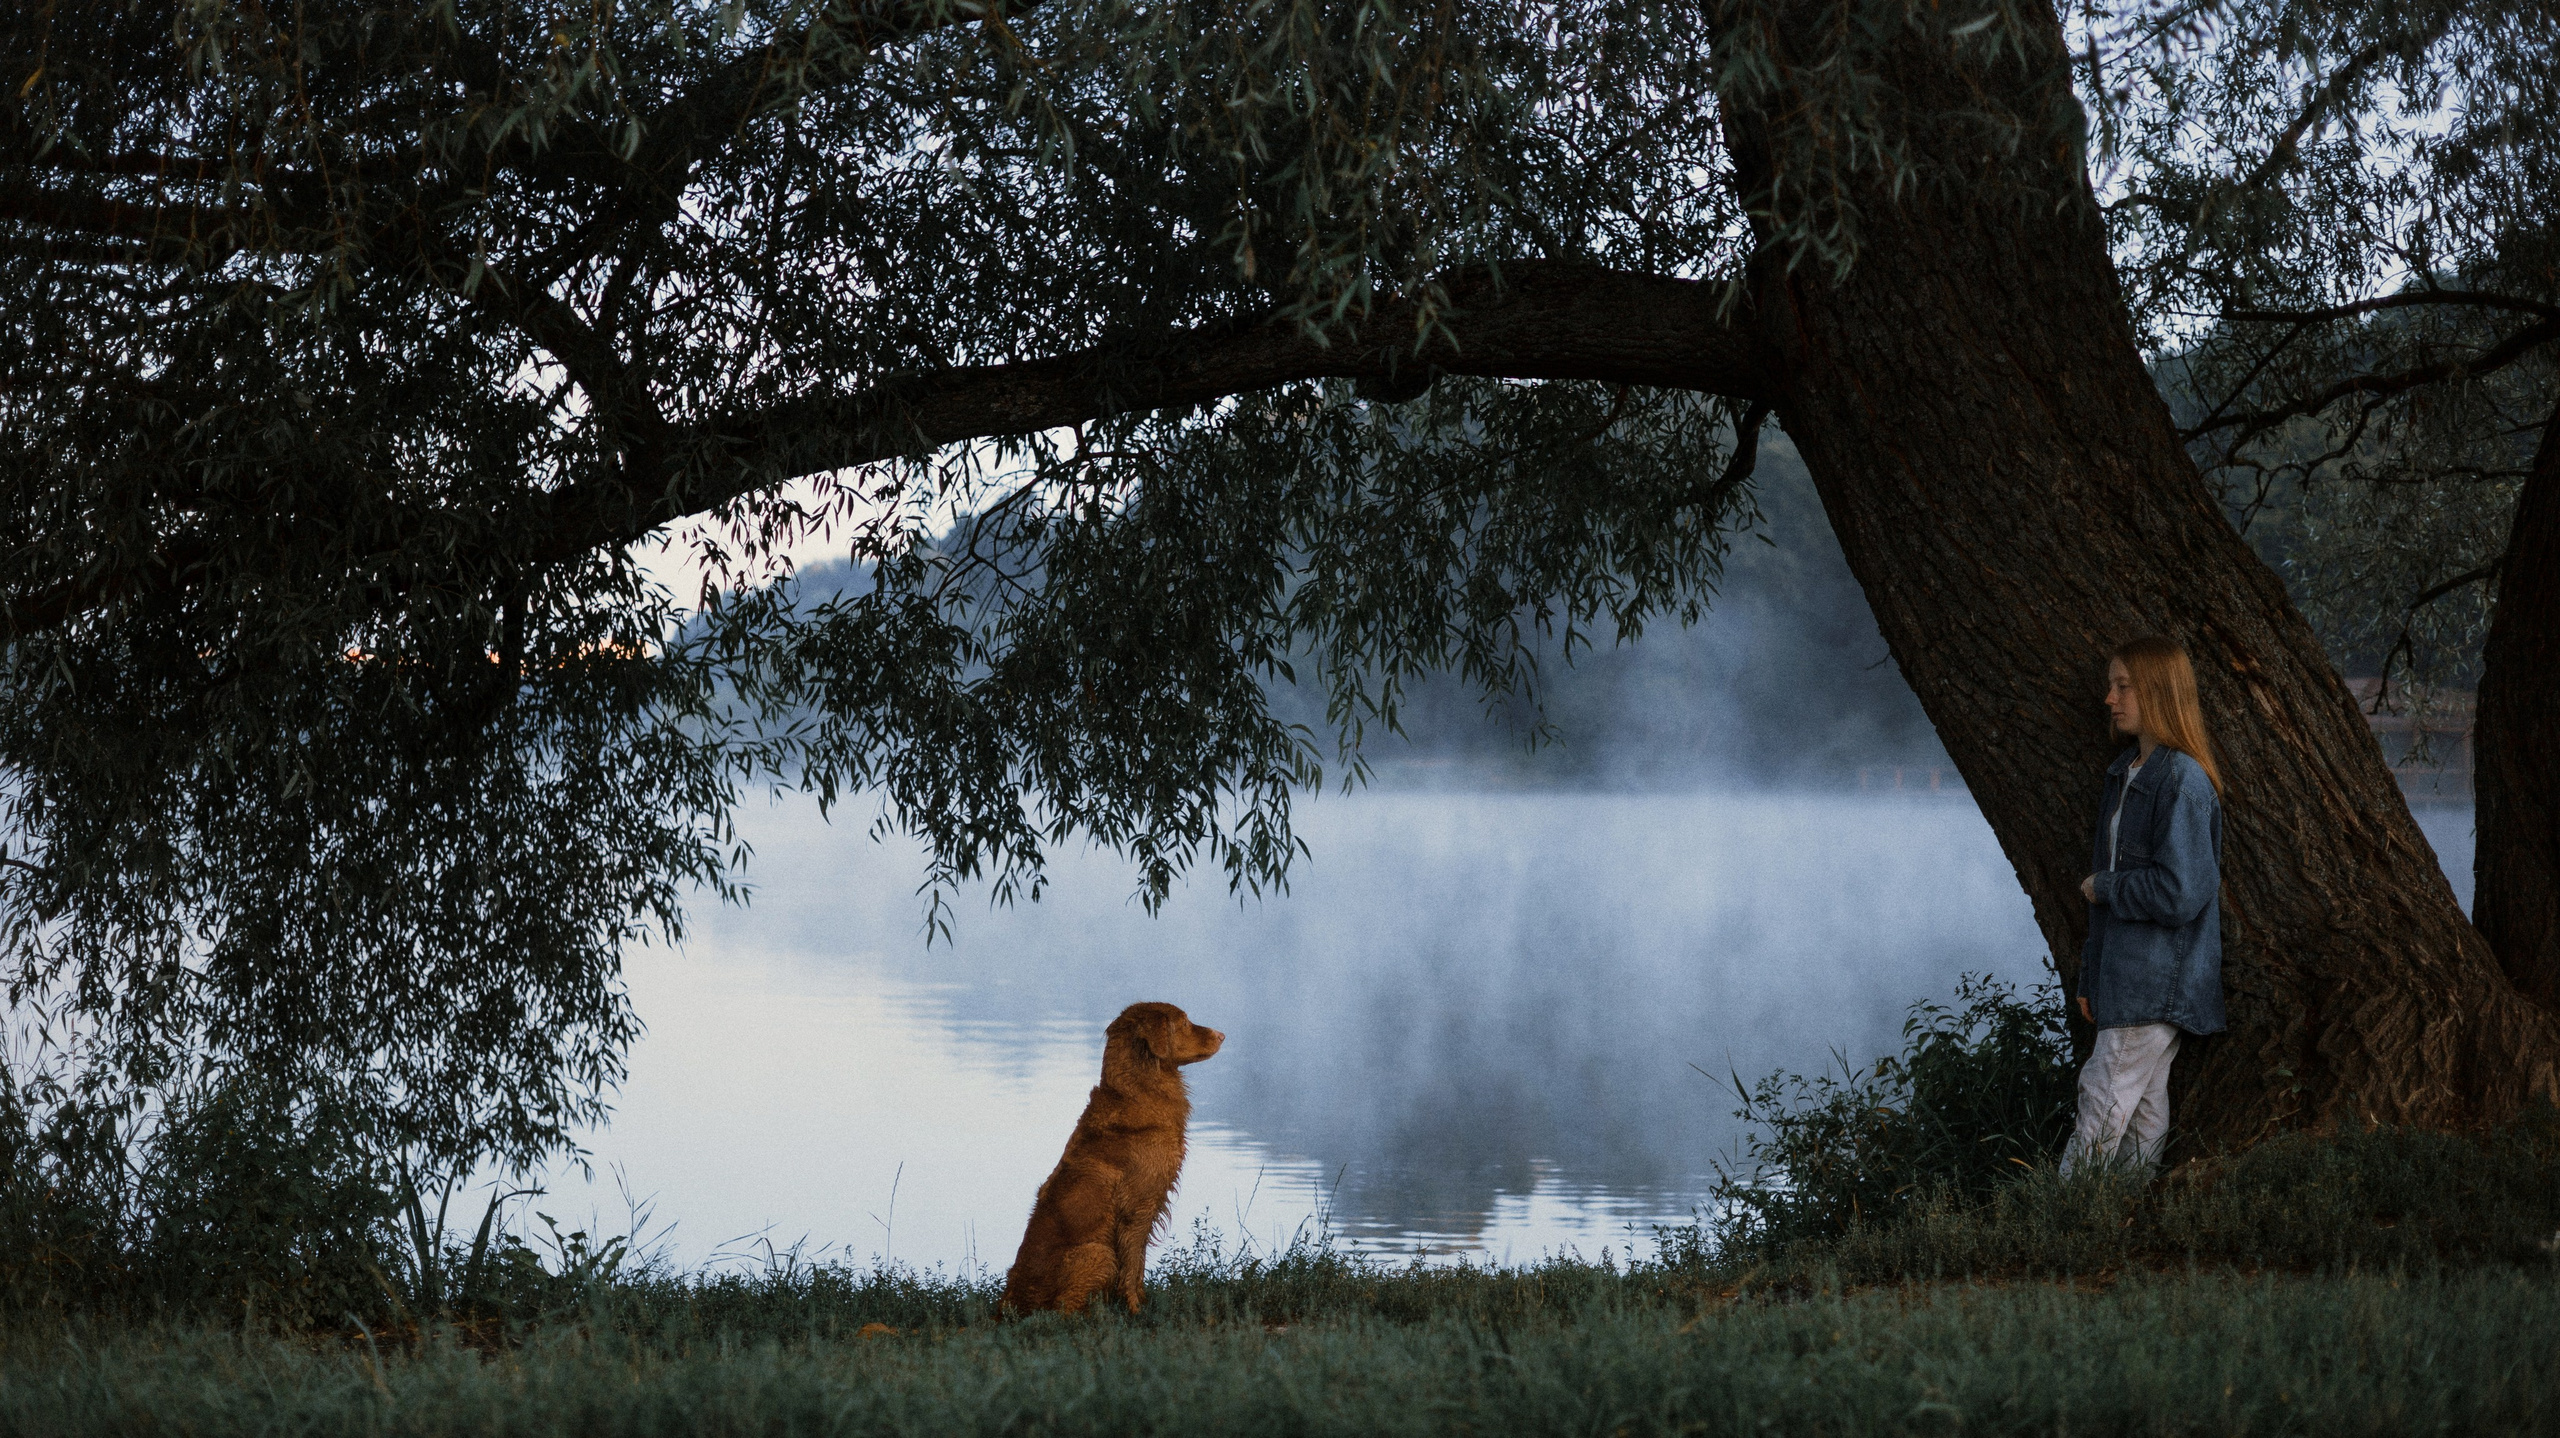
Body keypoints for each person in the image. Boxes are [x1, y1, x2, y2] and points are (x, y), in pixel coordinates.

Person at [2063, 635, 2226, 1177]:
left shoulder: (2181, 780)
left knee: (2101, 1100)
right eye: (2112, 686)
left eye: (2122, 686)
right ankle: (2127, 1226)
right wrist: (2091, 977)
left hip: (2155, 979)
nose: (2109, 699)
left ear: (2157, 691)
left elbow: (2181, 892)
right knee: (2143, 1113)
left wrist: (2106, 886)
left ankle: (2059, 1225)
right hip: (2126, 977)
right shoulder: (2125, 774)